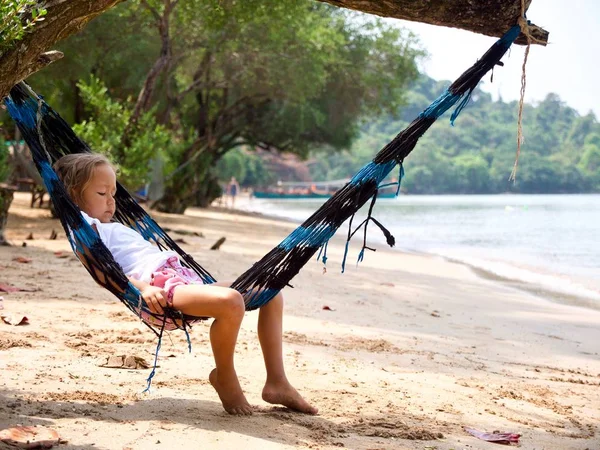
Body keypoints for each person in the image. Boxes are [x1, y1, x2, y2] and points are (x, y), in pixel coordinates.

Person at [54, 153, 317, 416]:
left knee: (270, 291)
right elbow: (104, 272)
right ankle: (224, 376)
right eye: (102, 193)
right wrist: (143, 289)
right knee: (231, 302)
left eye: (113, 192)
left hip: (181, 279)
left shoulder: (108, 224)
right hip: (159, 288)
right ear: (74, 195)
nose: (112, 201)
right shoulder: (85, 228)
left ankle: (277, 381)